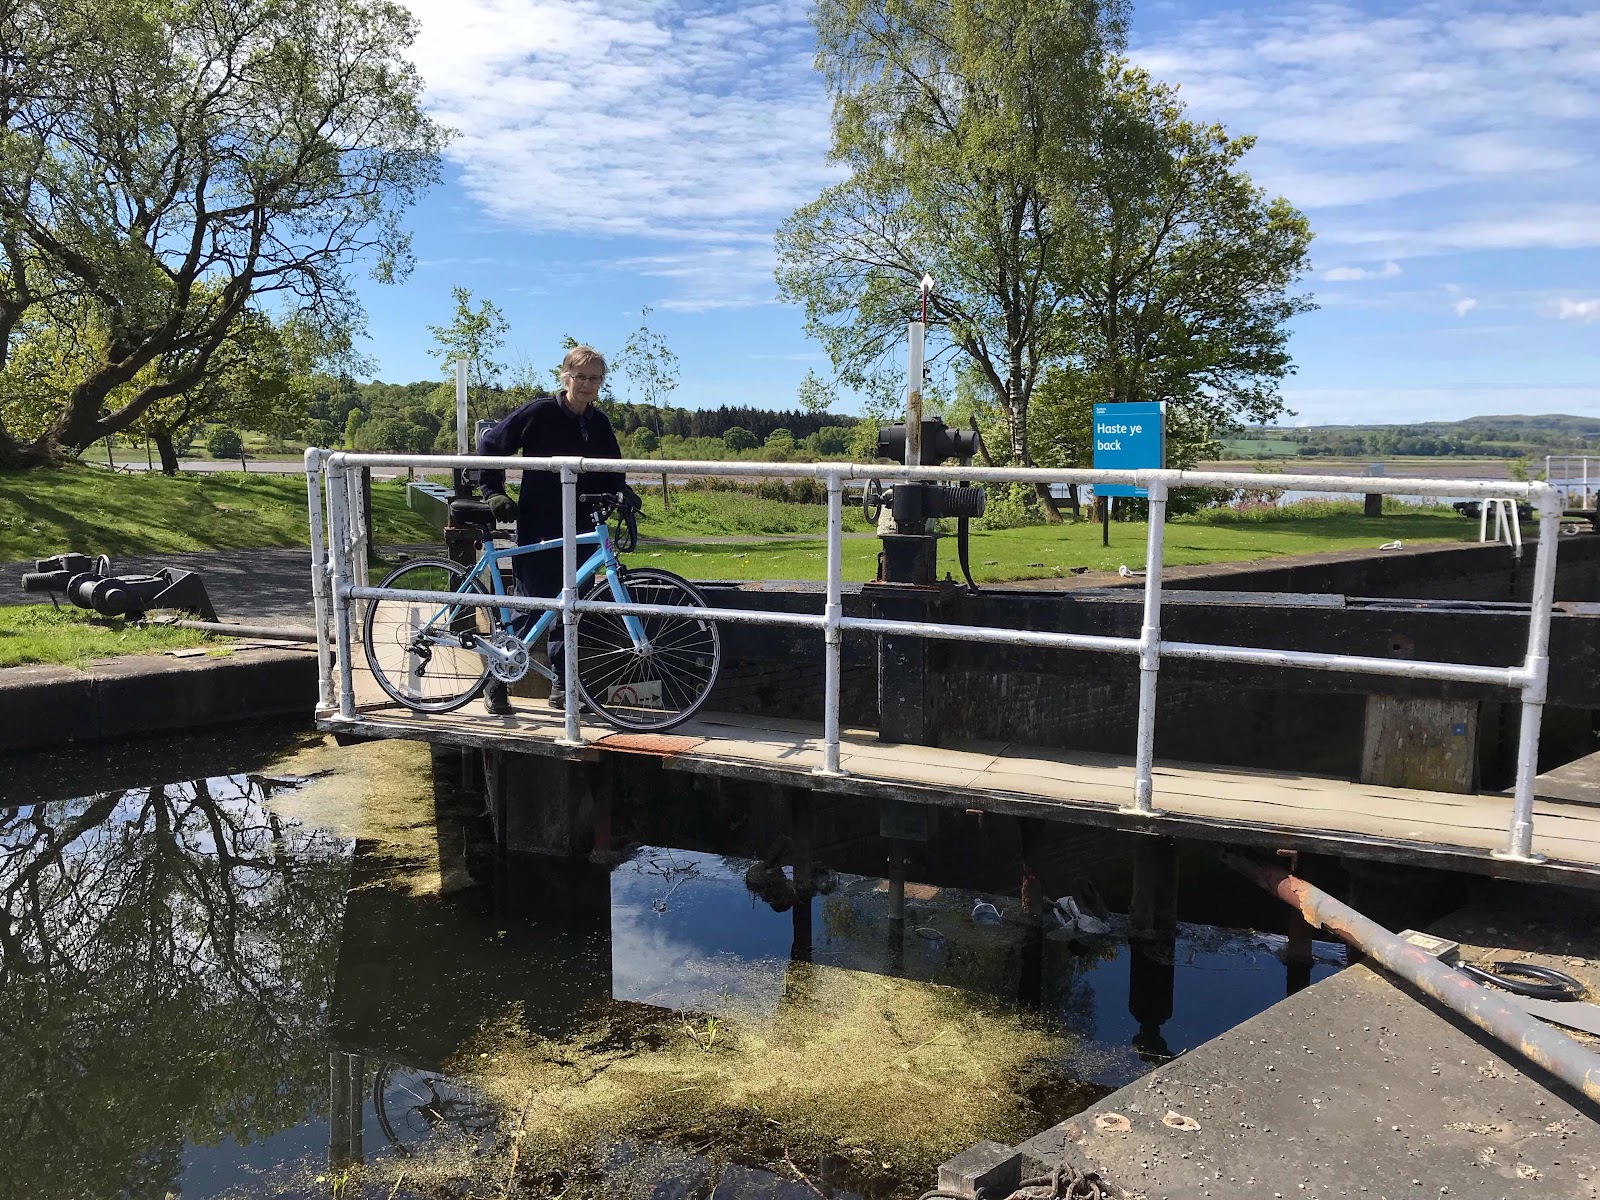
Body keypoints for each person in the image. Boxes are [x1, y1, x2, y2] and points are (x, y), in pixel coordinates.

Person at [476, 345, 636, 715]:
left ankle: (563, 687)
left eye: (594, 378)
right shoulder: (540, 411)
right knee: (532, 603)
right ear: (565, 377)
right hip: (540, 520)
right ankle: (496, 681)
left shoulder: (598, 423)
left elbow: (612, 467)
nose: (587, 384)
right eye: (580, 377)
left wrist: (621, 490)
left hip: (581, 524)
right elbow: (492, 442)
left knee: (572, 608)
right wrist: (493, 490)